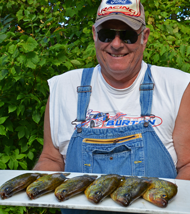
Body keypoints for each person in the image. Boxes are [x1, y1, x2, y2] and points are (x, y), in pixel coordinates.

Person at [33, 0, 190, 213]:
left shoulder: (178, 87)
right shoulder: (63, 87)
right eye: (107, 34)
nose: (116, 44)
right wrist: (35, 189)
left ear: (144, 37)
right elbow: (51, 158)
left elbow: (187, 165)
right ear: (94, 34)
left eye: (127, 35)